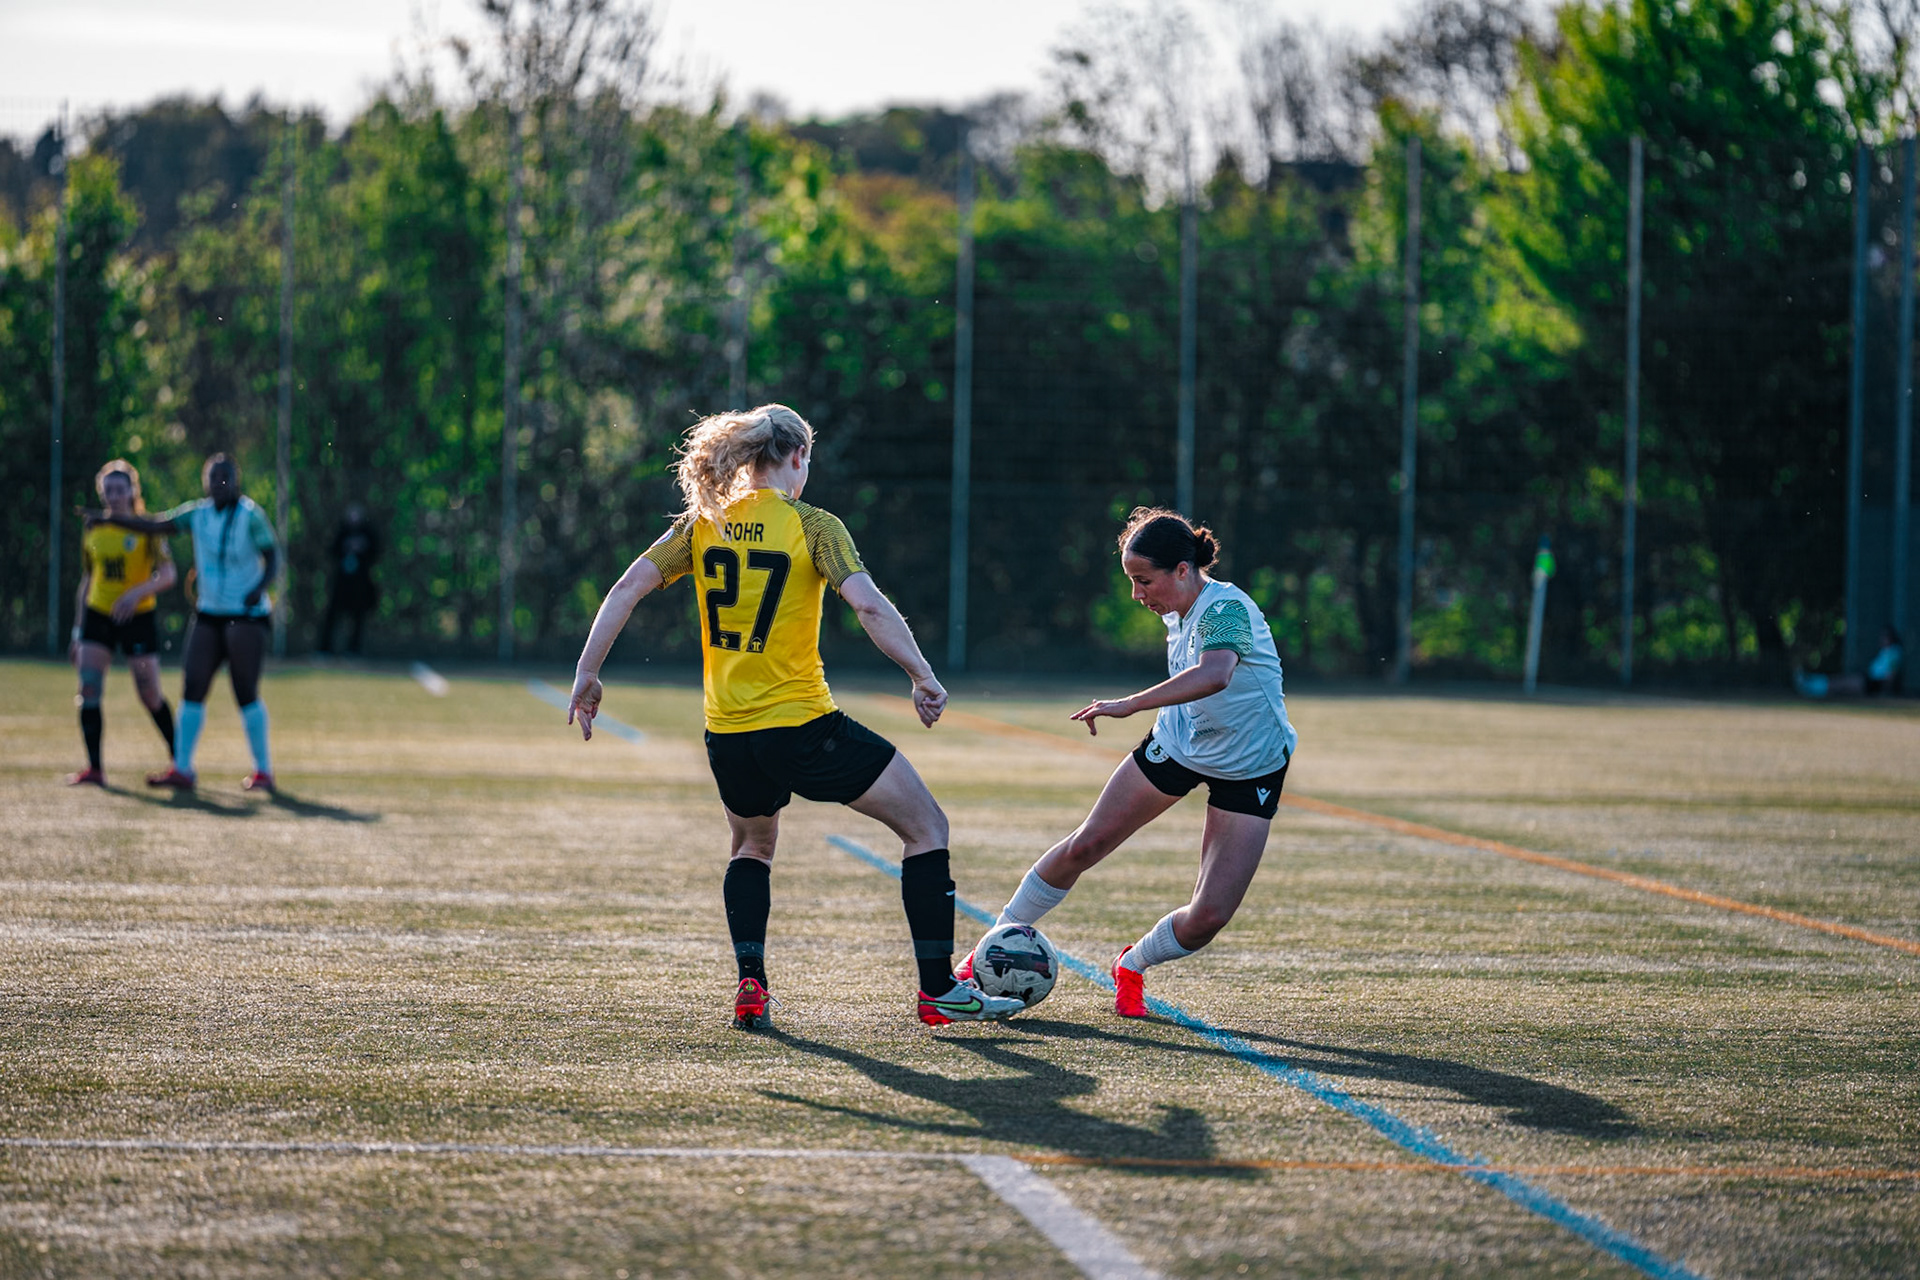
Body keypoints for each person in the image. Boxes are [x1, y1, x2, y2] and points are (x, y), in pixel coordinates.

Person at [566, 403, 1025, 1030]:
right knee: (927, 828)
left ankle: (751, 985)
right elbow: (867, 605)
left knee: (752, 846)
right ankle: (938, 990)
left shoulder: (704, 523)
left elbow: (626, 589)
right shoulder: (813, 525)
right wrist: (923, 675)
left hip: (729, 735)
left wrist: (588, 673)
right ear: (798, 457)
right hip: (805, 728)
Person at [957, 508, 1297, 1018]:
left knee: (1208, 916)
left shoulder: (1226, 608)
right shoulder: (1174, 610)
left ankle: (1131, 964)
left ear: (1183, 569)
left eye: (1144, 581)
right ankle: (981, 958)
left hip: (1252, 767)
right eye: (1132, 582)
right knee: (1087, 842)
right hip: (1180, 745)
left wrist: (1129, 703)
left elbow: (1216, 674)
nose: (1137, 595)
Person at [92, 453, 281, 793]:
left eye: (225, 477)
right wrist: (111, 520)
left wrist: (259, 588)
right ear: (205, 482)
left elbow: (273, 557)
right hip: (209, 613)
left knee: (244, 690)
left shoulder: (251, 516)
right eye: (213, 478)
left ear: (236, 480)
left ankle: (263, 771)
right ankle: (182, 768)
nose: (219, 484)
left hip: (246, 615)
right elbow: (155, 525)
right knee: (193, 684)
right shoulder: (198, 513)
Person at [64, 460, 178, 786]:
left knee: (149, 694)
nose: (114, 495)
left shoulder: (147, 527)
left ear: (132, 491)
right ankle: (95, 768)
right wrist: (77, 630)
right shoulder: (94, 528)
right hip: (98, 615)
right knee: (88, 689)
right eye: (108, 489)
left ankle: (180, 762)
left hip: (138, 616)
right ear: (102, 492)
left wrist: (134, 594)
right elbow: (88, 579)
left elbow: (168, 575)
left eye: (120, 489)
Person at [317, 503, 380, 655]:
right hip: (342, 583)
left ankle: (354, 649)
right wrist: (346, 547)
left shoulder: (368, 533)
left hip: (360, 584)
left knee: (358, 616)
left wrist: (362, 548)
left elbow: (376, 552)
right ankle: (325, 648)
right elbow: (332, 551)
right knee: (333, 614)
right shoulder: (342, 532)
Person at [1795, 628, 1904, 699]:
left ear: (1890, 638)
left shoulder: (1894, 653)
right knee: (1839, 681)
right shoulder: (1885, 652)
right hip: (1868, 679)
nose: (1882, 640)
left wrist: (1884, 691)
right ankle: (1809, 683)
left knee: (1840, 685)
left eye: (1885, 637)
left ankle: (1810, 687)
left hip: (1873, 684)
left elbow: (1891, 675)